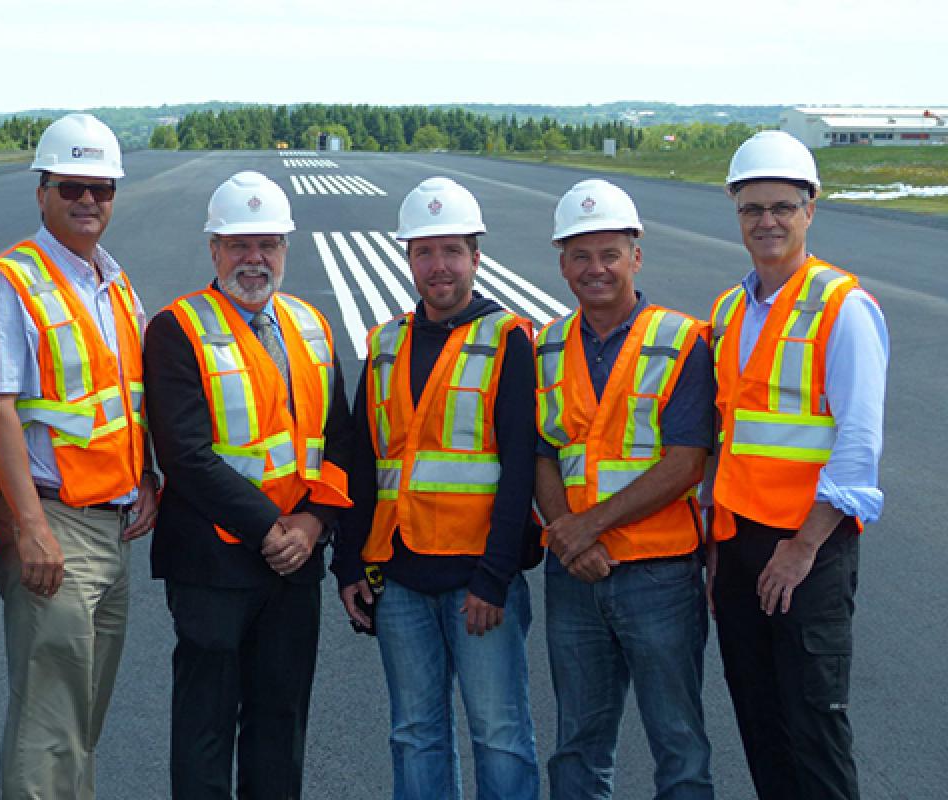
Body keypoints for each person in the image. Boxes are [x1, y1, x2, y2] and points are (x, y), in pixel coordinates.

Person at [0, 112, 157, 799]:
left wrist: (148, 475)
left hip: (112, 525)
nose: (88, 201)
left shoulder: (113, 282)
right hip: (52, 524)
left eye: (101, 188)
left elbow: (127, 396)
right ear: (42, 190)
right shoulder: (8, 284)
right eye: (72, 186)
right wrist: (31, 525)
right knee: (49, 723)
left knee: (82, 720)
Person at [143, 170, 352, 799]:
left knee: (280, 727)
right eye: (238, 245)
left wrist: (314, 525)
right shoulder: (177, 328)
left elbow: (339, 441)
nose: (253, 259)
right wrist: (272, 529)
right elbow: (185, 455)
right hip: (213, 563)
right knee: (205, 728)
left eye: (268, 245)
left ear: (287, 248)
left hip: (296, 564)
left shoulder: (309, 325)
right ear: (214, 251)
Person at [333, 176, 539, 800]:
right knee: (414, 734)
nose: (438, 266)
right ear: (408, 259)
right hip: (398, 579)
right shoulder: (386, 342)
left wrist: (494, 576)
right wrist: (347, 565)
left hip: (478, 581)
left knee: (500, 734)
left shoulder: (507, 340)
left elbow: (521, 469)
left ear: (477, 258)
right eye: (424, 252)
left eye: (452, 251)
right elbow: (363, 462)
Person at [708, 131, 888, 800]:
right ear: (736, 212)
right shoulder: (729, 310)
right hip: (739, 543)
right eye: (752, 208)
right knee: (759, 719)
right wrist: (718, 546)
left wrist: (802, 546)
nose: (767, 221)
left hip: (808, 548)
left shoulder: (844, 308)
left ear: (811, 209)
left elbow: (859, 445)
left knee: (813, 724)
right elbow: (727, 437)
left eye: (782, 206)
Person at [533, 179, 714, 799]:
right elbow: (543, 455)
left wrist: (589, 525)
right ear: (561, 264)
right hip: (576, 575)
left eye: (609, 253)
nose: (596, 269)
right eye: (580, 256)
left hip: (660, 575)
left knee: (679, 745)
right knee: (578, 748)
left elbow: (688, 459)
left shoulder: (682, 340)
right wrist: (570, 539)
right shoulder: (547, 346)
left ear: (636, 255)